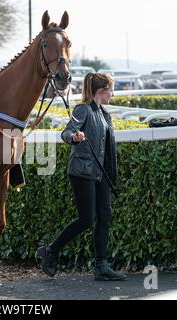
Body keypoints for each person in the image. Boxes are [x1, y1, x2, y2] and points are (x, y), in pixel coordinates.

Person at [37, 72, 126, 281]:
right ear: (101, 91)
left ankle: (101, 266)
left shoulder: (104, 114)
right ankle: (50, 250)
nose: (112, 94)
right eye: (110, 90)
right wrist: (74, 138)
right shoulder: (82, 109)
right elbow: (66, 132)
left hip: (100, 173)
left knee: (105, 216)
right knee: (87, 220)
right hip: (82, 172)